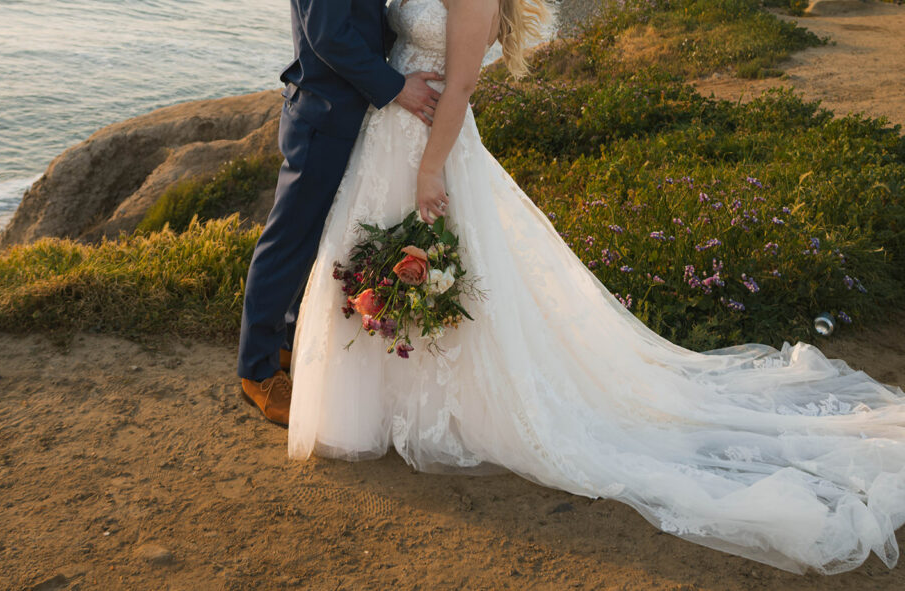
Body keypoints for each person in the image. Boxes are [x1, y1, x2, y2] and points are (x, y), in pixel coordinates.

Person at [285, 0, 905, 576]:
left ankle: (442, 413)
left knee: (442, 274)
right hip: (386, 136)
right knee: (378, 264)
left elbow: (464, 84)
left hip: (430, 146)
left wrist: (429, 169)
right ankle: (386, 406)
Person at [237, 0, 443, 425]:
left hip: (351, 112)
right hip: (323, 115)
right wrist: (396, 86)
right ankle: (257, 371)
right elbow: (328, 34)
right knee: (289, 242)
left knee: (320, 239)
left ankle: (286, 344)